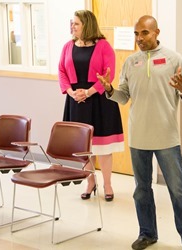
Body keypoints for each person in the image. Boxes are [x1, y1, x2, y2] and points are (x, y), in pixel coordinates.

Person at [97, 15, 182, 250]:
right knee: (141, 190)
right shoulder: (131, 62)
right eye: (136, 34)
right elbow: (123, 96)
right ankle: (147, 234)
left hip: (166, 137)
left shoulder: (173, 58)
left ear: (156, 33)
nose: (139, 38)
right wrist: (110, 89)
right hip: (139, 137)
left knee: (178, 190)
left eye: (144, 33)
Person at [58, 10, 124, 202]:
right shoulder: (67, 46)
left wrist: (87, 92)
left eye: (76, 23)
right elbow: (61, 71)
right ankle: (90, 181)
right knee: (84, 147)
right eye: (72, 23)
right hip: (75, 100)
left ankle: (108, 184)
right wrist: (71, 92)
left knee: (102, 147)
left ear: (87, 25)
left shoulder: (103, 46)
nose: (73, 27)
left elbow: (108, 75)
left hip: (99, 100)